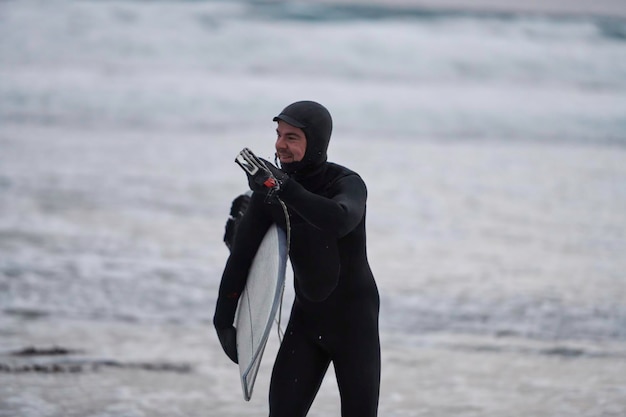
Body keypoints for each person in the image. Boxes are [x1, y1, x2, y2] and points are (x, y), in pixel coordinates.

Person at [213, 101, 380, 416]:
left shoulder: (346, 183)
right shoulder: (269, 195)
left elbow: (339, 220)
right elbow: (242, 258)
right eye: (278, 135)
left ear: (315, 142)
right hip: (306, 320)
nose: (280, 145)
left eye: (292, 137)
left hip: (355, 324)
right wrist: (223, 317)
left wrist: (283, 188)